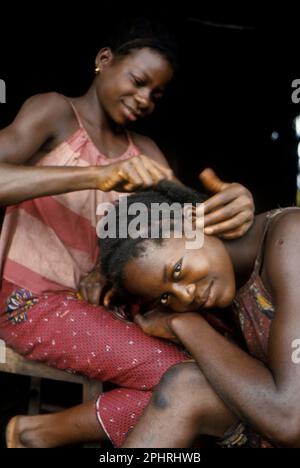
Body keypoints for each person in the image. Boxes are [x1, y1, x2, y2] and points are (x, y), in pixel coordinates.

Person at [1, 18, 254, 448]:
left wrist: (241, 207)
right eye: (138, 81)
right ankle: (35, 434)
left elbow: (184, 233)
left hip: (101, 307)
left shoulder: (148, 154)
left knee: (219, 373)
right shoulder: (55, 112)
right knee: (198, 381)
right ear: (104, 61)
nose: (144, 99)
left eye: (156, 94)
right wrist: (98, 175)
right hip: (30, 301)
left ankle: (34, 434)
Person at [94, 181, 300, 448]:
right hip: (277, 412)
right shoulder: (226, 282)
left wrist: (186, 325)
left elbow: (290, 421)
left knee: (187, 386)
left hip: (287, 417)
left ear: (195, 223)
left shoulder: (291, 240)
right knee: (187, 386)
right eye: (166, 297)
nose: (186, 295)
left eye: (177, 271)